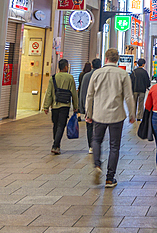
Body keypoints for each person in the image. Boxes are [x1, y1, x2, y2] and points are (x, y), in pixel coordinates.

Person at [86, 48, 135, 188]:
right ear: (117, 59)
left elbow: (90, 95)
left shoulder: (97, 73)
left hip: (99, 114)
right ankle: (109, 178)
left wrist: (88, 114)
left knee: (96, 140)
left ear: (105, 59)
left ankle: (97, 164)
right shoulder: (122, 73)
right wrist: (132, 114)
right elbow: (128, 96)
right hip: (116, 115)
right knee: (114, 146)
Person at [42, 58, 78, 155]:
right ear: (66, 67)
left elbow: (49, 93)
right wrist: (76, 106)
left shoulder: (53, 78)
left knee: (55, 125)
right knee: (61, 125)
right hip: (65, 105)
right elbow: (73, 93)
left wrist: (46, 106)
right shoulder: (70, 78)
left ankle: (56, 144)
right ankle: (55, 145)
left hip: (55, 106)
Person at [79, 58, 101, 154]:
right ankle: (97, 144)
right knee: (99, 126)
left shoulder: (86, 76)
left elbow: (82, 92)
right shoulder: (101, 75)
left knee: (89, 126)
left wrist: (82, 107)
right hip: (100, 105)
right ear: (100, 66)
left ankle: (91, 147)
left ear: (92, 66)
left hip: (89, 106)